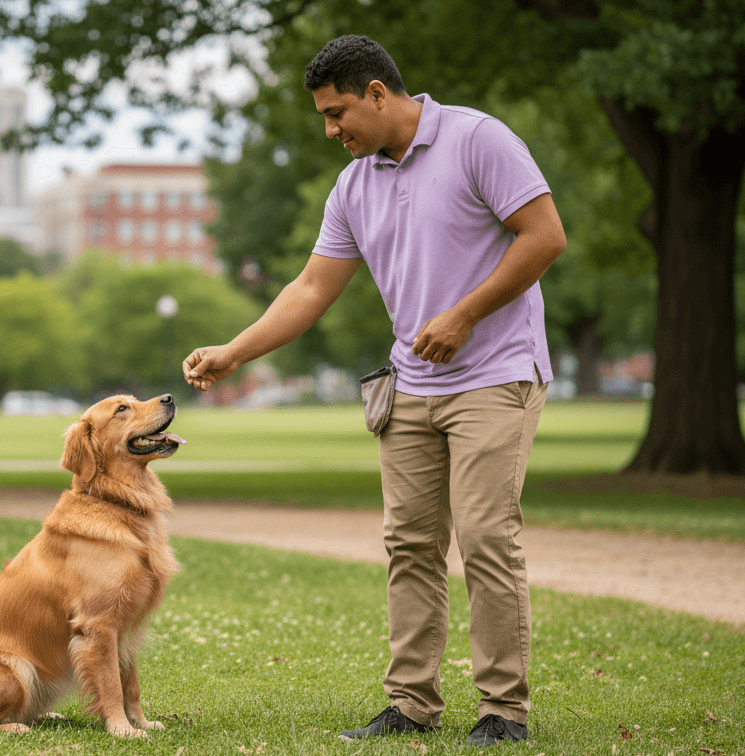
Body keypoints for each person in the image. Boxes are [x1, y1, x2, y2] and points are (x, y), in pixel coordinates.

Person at [182, 35, 565, 747]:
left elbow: (544, 237)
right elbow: (311, 287)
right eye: (325, 118)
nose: (332, 131)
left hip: (495, 374)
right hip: (410, 384)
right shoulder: (354, 185)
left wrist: (464, 314)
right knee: (410, 545)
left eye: (337, 113)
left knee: (485, 538)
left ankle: (503, 712)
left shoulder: (479, 140)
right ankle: (411, 703)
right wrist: (235, 351)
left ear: (378, 93)